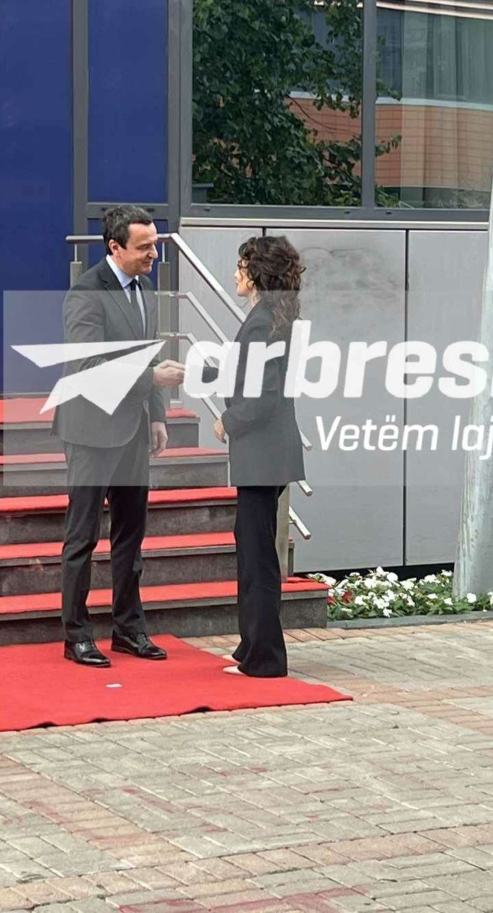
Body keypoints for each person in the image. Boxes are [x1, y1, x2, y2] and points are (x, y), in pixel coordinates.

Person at [54, 205, 185, 667]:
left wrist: (157, 415)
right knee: (83, 537)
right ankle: (76, 636)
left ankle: (129, 629)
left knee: (131, 537)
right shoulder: (85, 293)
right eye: (144, 246)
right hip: (91, 431)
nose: (154, 254)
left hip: (133, 429)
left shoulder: (145, 289)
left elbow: (148, 354)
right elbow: (89, 364)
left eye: (155, 244)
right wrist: (152, 380)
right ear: (114, 247)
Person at [213, 236, 307, 678]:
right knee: (253, 550)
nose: (235, 273)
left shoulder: (261, 322)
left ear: (254, 274)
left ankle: (265, 658)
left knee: (257, 559)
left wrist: (227, 422)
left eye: (240, 265)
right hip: (270, 453)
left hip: (262, 453)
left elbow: (264, 395)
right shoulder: (274, 317)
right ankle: (250, 644)